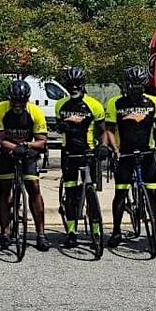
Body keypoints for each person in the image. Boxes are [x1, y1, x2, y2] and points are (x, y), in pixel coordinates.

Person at [102, 66, 156, 251]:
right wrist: (114, 149)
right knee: (121, 193)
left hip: (147, 153)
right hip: (124, 154)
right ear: (126, 85)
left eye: (139, 87)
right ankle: (116, 231)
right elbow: (109, 129)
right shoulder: (115, 102)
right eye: (132, 86)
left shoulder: (153, 102)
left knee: (152, 194)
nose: (135, 90)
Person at [0, 79, 51, 252]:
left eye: (22, 101)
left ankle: (41, 234)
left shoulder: (35, 112)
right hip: (7, 152)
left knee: (34, 187)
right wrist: (14, 147)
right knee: (4, 189)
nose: (18, 105)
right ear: (9, 99)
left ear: (27, 99)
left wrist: (26, 147)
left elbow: (41, 141)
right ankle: (4, 232)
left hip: (27, 151)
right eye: (14, 101)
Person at [53, 67, 106, 248]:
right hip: (68, 153)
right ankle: (71, 231)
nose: (73, 87)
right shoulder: (60, 104)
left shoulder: (94, 105)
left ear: (83, 85)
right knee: (71, 195)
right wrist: (61, 127)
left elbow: (103, 131)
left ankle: (97, 231)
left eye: (77, 84)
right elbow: (59, 125)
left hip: (88, 152)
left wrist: (103, 146)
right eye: (70, 85)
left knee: (90, 194)